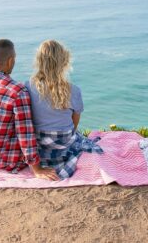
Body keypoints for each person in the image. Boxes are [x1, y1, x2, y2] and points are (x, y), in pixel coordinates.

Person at [0, 39, 58, 181]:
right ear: (10, 60)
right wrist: (37, 169)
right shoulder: (17, 91)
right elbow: (25, 134)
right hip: (1, 162)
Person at [26, 40, 103, 179]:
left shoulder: (27, 87)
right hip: (63, 144)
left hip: (38, 146)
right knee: (79, 138)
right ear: (65, 62)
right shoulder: (73, 90)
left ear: (38, 62)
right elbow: (74, 123)